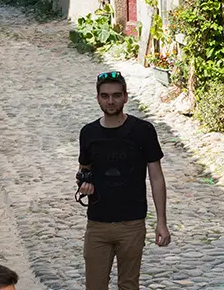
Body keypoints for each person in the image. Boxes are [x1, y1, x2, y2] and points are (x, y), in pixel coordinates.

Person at [77, 71, 171, 290]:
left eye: (116, 95)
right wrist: (83, 184)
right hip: (98, 224)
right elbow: (83, 170)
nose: (110, 101)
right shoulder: (88, 133)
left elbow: (156, 177)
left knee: (129, 285)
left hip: (132, 223)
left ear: (126, 97)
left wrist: (161, 222)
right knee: (94, 286)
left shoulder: (143, 131)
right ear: (97, 98)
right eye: (105, 96)